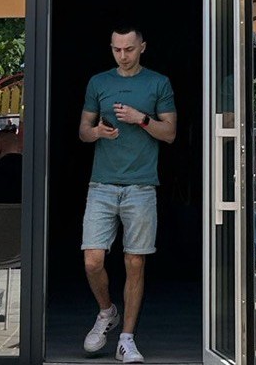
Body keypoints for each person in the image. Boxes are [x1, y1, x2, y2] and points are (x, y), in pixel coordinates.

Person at [78, 25, 177, 363]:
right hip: (101, 184)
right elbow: (83, 131)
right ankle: (107, 312)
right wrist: (97, 132)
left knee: (135, 262)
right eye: (117, 49)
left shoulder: (158, 82)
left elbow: (170, 133)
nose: (123, 55)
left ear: (142, 47)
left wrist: (141, 119)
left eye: (129, 49)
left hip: (141, 186)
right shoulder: (98, 82)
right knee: (92, 261)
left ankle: (126, 339)